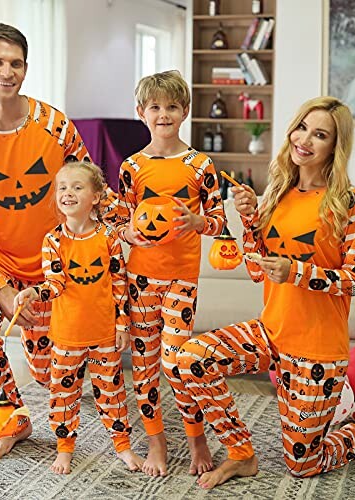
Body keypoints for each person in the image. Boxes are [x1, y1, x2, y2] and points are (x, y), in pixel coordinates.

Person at [177, 96, 355, 489]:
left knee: (303, 464)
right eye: (302, 127)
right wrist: (250, 219)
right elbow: (255, 270)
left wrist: (296, 272)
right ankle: (241, 454)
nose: (305, 139)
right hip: (270, 333)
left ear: (335, 147)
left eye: (320, 134)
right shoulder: (277, 193)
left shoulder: (349, 202)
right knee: (189, 358)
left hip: (318, 349)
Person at [0, 23, 114, 460]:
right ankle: (10, 417)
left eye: (15, 63)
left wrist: (130, 227)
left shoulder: (54, 125)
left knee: (49, 375)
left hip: (54, 262)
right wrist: (0, 291)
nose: (6, 71)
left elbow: (93, 187)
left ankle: (62, 388)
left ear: (26, 69)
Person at [116, 70, 226, 477]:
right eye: (155, 107)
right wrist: (127, 231)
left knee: (176, 362)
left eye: (172, 107)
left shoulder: (201, 165)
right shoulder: (132, 166)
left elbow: (218, 220)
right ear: (141, 112)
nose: (164, 114)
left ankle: (197, 438)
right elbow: (121, 221)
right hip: (140, 279)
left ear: (185, 112)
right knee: (143, 364)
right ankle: (156, 442)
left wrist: (199, 222)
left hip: (182, 280)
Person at [13, 162, 143, 474]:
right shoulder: (53, 241)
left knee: (112, 394)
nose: (68, 193)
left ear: (96, 196)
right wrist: (34, 292)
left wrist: (122, 324)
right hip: (66, 335)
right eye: (62, 187)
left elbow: (119, 284)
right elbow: (55, 285)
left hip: (103, 335)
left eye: (77, 187)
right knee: (63, 395)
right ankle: (65, 448)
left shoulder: (109, 238)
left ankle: (122, 446)